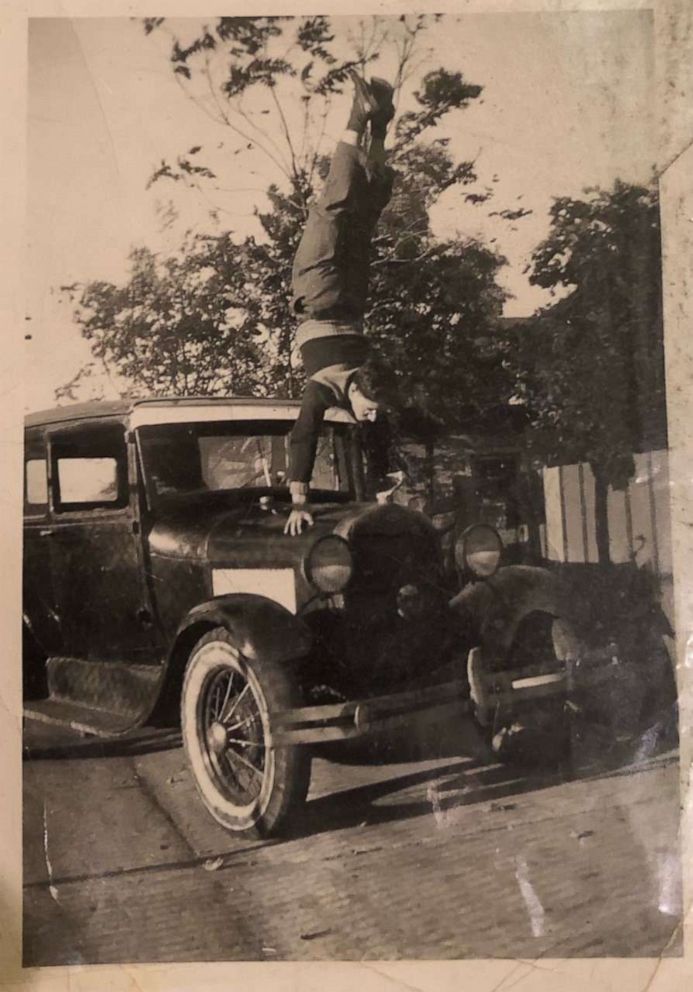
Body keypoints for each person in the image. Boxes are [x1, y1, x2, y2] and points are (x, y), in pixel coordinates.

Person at [285, 72, 398, 536]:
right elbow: (312, 436)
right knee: (348, 207)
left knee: (354, 210)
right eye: (370, 408)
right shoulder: (339, 390)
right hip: (332, 294)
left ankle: (373, 119)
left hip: (339, 295)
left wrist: (299, 500)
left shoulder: (336, 392)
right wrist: (387, 481)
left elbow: (305, 437)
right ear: (359, 390)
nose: (369, 416)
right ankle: (369, 119)